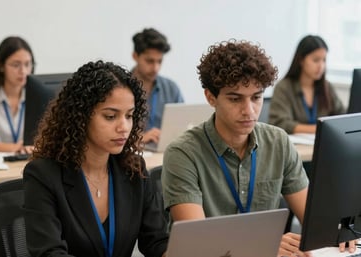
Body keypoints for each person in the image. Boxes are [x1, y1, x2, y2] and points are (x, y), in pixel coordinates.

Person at [161, 40, 357, 257]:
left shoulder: (278, 142)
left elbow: (315, 222)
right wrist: (265, 243)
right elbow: (198, 241)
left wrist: (341, 232)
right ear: (211, 97)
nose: (249, 111)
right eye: (235, 99)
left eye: (256, 97)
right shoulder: (183, 153)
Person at [23, 60, 168, 257]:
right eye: (110, 116)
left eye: (129, 115)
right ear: (80, 117)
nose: (124, 127)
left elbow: (156, 241)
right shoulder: (43, 175)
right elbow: (49, 253)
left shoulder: (134, 169)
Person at [268, 35, 345, 134]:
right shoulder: (284, 87)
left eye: (324, 60)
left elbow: (341, 115)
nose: (321, 66)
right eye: (316, 60)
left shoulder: (326, 86)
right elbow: (280, 124)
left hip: (322, 143)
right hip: (294, 146)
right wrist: (318, 129)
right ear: (301, 60)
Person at [131, 28, 184, 145]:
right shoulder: (120, 88)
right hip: (128, 155)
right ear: (135, 56)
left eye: (159, 61)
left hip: (164, 155)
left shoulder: (171, 89)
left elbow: (183, 129)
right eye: (149, 61)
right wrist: (139, 138)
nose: (155, 68)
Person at [0, 36, 35, 153]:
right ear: (1, 66)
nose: (23, 71)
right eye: (16, 65)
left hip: (27, 163)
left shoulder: (36, 96)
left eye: (27, 64)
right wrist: (17, 148)